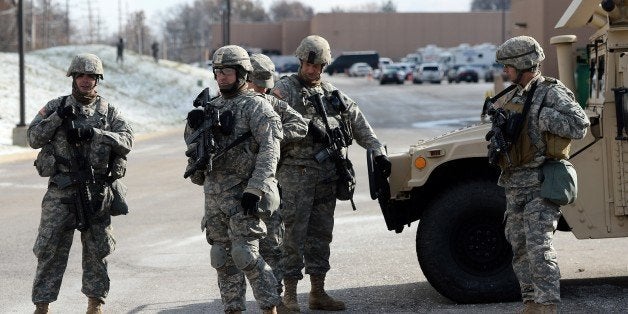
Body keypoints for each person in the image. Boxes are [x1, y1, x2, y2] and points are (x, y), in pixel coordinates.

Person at [270, 35, 391, 312]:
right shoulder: (284, 90)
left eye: (317, 66)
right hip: (295, 175)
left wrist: (376, 149)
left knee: (321, 235)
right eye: (308, 64)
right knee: (292, 236)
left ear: (324, 66)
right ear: (300, 61)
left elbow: (357, 120)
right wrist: (305, 125)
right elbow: (270, 123)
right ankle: (289, 296)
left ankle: (318, 292)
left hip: (326, 177)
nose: (312, 70)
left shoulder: (330, 93)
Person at [488, 36, 590, 313]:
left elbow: (580, 125)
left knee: (538, 247)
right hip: (514, 183)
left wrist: (544, 118)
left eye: (508, 66)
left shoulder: (551, 93)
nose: (505, 71)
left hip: (540, 183)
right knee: (519, 247)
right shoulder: (511, 96)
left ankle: (548, 305)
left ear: (523, 64)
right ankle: (531, 302)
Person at [27, 53, 134, 314]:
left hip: (96, 191)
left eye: (91, 76)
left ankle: (95, 304)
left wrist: (95, 133)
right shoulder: (56, 106)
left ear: (98, 80)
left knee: (97, 251)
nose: (86, 81)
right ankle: (42, 306)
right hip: (61, 190)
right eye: (81, 76)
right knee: (49, 249)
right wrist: (56, 118)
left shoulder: (109, 111)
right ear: (73, 78)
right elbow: (33, 138)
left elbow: (127, 140)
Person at [183, 45, 283, 314]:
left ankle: (270, 307)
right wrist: (193, 128)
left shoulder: (257, 107)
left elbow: (270, 151)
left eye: (226, 71)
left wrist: (256, 188)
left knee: (246, 255)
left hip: (245, 196)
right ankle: (233, 308)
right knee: (222, 259)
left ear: (242, 73)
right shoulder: (209, 107)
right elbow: (194, 152)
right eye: (217, 71)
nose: (221, 76)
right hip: (214, 196)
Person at [248, 52, 308, 296]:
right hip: (231, 188)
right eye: (257, 86)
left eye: (265, 88)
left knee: (272, 245)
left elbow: (300, 124)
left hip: (264, 188)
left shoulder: (272, 104)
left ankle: (277, 300)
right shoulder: (225, 105)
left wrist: (271, 140)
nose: (261, 92)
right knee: (231, 254)